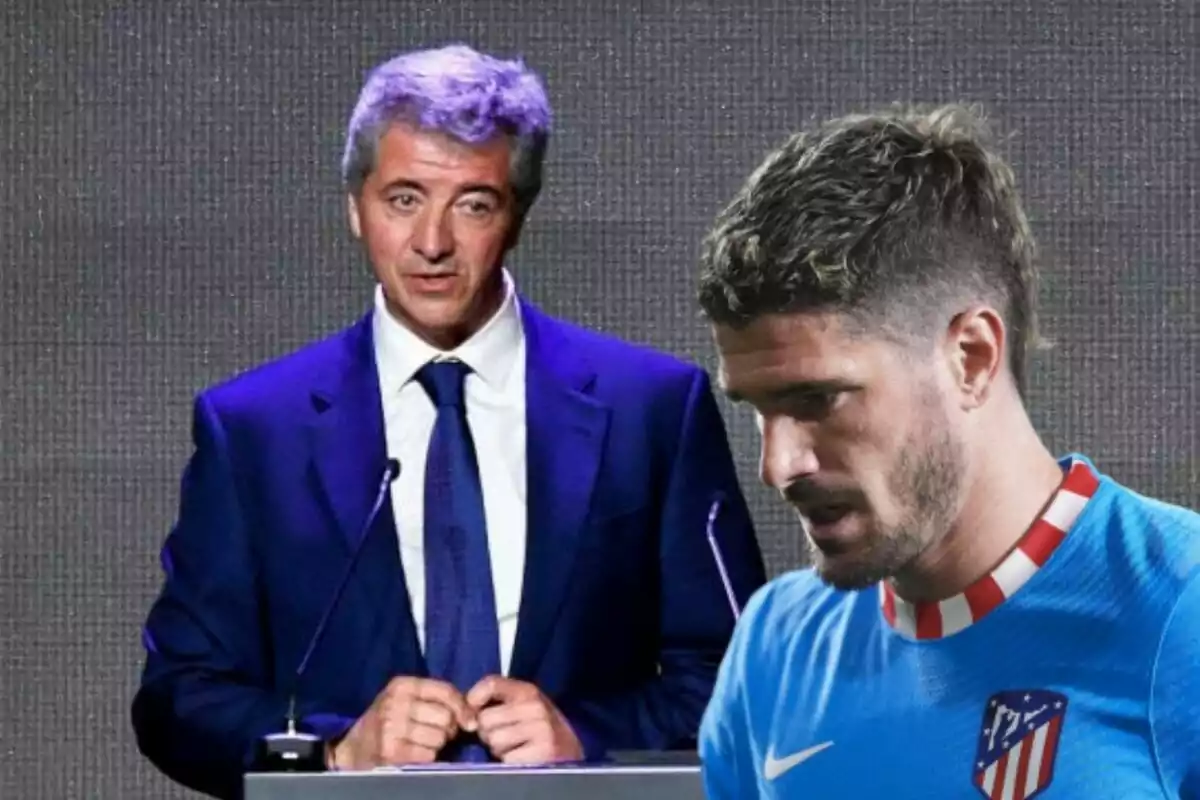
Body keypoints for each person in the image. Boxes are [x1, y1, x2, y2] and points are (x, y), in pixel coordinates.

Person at [132, 43, 766, 799]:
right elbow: (180, 697)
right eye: (403, 199)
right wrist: (334, 751)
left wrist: (588, 736)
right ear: (354, 209)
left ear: (517, 215)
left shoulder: (654, 408)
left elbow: (739, 678)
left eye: (472, 204)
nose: (432, 243)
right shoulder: (251, 430)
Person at [694, 103, 1200, 798]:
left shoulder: (1184, 613)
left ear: (971, 356)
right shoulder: (773, 650)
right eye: (759, 409)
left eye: (818, 402)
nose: (779, 466)